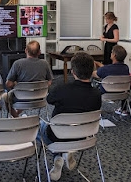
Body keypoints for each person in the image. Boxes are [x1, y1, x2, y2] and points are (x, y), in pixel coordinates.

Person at [39, 52, 102, 181]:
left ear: (73, 72)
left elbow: (49, 100)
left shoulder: (62, 89)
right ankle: (66, 153)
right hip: (82, 136)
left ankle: (58, 157)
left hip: (56, 135)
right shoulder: (97, 94)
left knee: (38, 125)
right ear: (92, 72)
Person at [2, 40, 53, 117]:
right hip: (40, 98)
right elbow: (49, 82)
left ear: (26, 51)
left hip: (21, 98)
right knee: (25, 94)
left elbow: (8, 84)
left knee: (4, 97)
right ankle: (20, 115)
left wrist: (16, 84)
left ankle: (16, 117)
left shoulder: (17, 64)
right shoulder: (45, 64)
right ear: (39, 52)